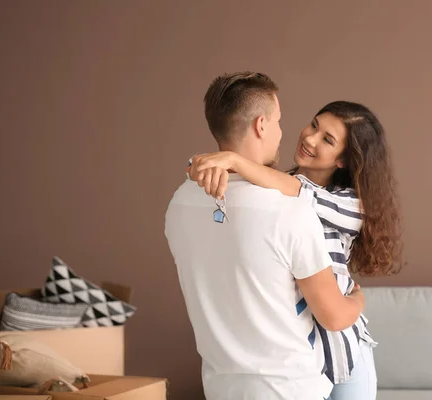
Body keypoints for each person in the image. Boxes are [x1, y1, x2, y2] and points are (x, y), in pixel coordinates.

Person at [165, 72, 366, 400]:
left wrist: (214, 163)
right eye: (278, 121)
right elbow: (332, 315)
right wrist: (359, 299)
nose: (286, 133)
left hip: (221, 387)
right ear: (261, 125)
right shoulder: (289, 211)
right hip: (290, 388)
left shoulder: (179, 204)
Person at [188, 100, 403, 400]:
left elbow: (302, 192)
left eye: (327, 140)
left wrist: (232, 160)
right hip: (298, 361)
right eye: (314, 125)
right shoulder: (273, 188)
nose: (310, 138)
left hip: (344, 356)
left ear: (343, 160)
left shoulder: (351, 205)